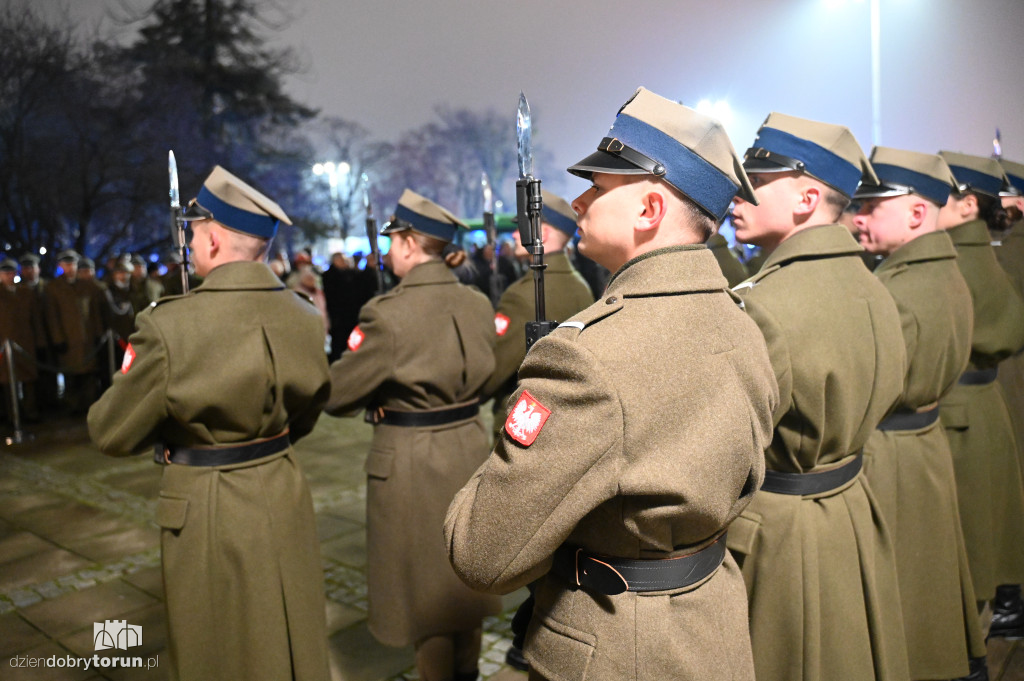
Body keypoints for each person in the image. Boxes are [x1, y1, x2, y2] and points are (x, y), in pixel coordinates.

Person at [445, 87, 778, 681]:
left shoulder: (588, 357)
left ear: (649, 211)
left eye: (597, 188)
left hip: (617, 644)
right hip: (711, 621)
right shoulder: (743, 321)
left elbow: (480, 553)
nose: (576, 201)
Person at [87, 166, 331, 681]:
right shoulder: (305, 315)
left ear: (215, 240)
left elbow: (109, 431)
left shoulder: (169, 324)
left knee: (216, 650)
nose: (192, 244)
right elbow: (310, 409)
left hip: (206, 504)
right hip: (283, 485)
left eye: (195, 233)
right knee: (284, 636)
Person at [728, 112, 910, 681]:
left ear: (807, 198)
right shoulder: (872, 284)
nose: (736, 193)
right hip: (848, 508)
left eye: (754, 181)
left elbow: (726, 446)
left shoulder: (765, 303)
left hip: (781, 534)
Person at [325, 189, 501, 681]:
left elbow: (337, 395)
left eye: (393, 240)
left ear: (405, 244)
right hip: (468, 445)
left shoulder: (388, 312)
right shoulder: (475, 301)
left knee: (426, 599)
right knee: (464, 581)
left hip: (411, 460)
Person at [853, 147, 987, 680]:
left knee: (902, 600)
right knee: (925, 590)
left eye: (871, 205)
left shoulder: (902, 289)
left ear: (915, 213)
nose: (857, 217)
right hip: (917, 448)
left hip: (892, 455)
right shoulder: (935, 271)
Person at [937, 151, 1024, 641]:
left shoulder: (962, 259)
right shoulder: (979, 252)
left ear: (968, 205)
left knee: (966, 546)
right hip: (981, 404)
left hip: (960, 414)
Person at [481, 190, 595, 427]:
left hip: (524, 417)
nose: (514, 234)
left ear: (541, 233)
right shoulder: (579, 284)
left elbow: (497, 367)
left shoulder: (523, 294)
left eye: (519, 227)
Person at [45, 250, 104, 414]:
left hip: (87, 337)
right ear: (60, 266)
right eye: (66, 264)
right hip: (68, 339)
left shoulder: (87, 285)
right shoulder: (53, 288)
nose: (70, 267)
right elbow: (52, 316)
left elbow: (94, 313)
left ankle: (90, 406)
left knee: (90, 374)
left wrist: (98, 333)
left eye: (72, 264)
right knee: (71, 375)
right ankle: (73, 406)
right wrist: (57, 339)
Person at [0, 257, 42, 424]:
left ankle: (31, 412)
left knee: (29, 380)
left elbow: (36, 319)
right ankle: (12, 416)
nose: (9, 276)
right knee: (8, 383)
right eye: (5, 273)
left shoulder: (25, 292)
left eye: (12, 273)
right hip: (4, 344)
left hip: (26, 343)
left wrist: (40, 341)